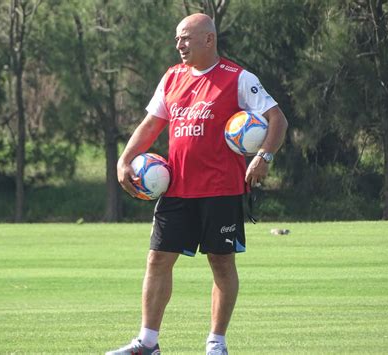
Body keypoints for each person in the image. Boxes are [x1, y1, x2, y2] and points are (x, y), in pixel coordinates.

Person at [107, 13, 288, 355]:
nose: (179, 44)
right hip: (176, 190)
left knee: (221, 263)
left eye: (186, 38)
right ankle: (147, 342)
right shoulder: (172, 77)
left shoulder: (238, 78)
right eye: (177, 39)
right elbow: (151, 125)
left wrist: (264, 156)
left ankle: (216, 343)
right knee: (157, 259)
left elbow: (277, 119)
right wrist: (124, 159)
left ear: (209, 39)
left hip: (222, 189)